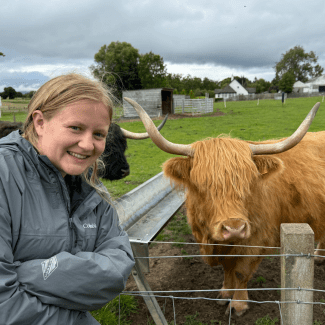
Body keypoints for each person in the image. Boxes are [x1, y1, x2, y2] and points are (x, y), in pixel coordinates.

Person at [0, 73, 135, 325]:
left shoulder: (91, 190)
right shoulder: (4, 176)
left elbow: (117, 268)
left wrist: (26, 274)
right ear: (40, 123)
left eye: (99, 134)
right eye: (75, 127)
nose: (87, 145)